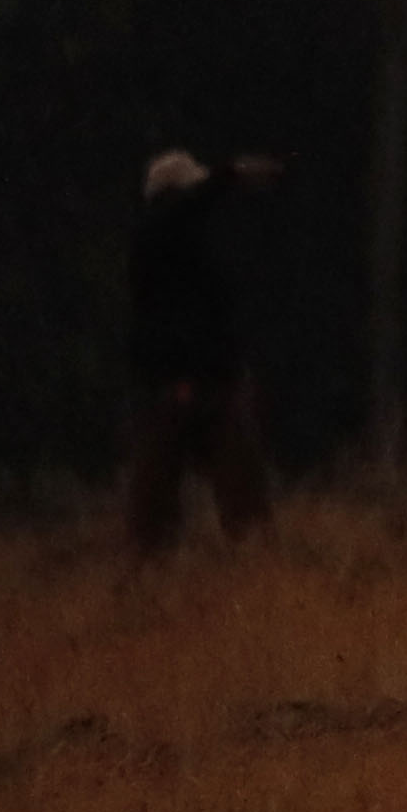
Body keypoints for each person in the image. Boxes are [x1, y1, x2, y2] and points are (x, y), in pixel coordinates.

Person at [123, 149, 282, 553]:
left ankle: (253, 565)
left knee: (240, 490)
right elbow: (182, 210)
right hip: (175, 388)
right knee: (156, 502)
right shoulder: (155, 238)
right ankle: (153, 580)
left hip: (209, 384)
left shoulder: (185, 248)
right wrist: (228, 175)